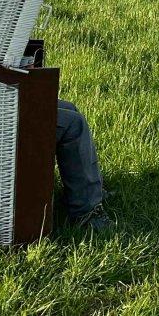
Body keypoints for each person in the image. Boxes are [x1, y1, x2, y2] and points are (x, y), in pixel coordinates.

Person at [56, 99, 113, 231]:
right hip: (1, 116)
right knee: (74, 124)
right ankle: (86, 214)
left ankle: (83, 193)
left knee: (69, 108)